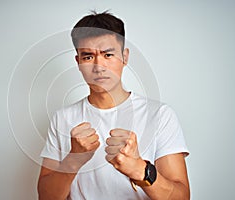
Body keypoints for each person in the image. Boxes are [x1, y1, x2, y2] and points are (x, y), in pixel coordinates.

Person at [37, 11, 190, 200]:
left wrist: (140, 169)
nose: (99, 66)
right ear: (78, 61)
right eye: (87, 57)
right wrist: (74, 159)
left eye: (108, 54)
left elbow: (181, 197)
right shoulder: (63, 118)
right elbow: (45, 197)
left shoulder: (159, 115)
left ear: (125, 57)